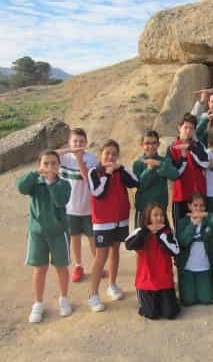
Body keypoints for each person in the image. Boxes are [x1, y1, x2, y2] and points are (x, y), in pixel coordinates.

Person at [17, 150, 72, 323]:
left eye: (53, 163)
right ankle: (38, 303)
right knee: (39, 268)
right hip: (37, 233)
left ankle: (64, 299)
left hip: (58, 233)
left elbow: (60, 201)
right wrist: (35, 174)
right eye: (45, 164)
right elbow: (21, 187)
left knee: (61, 267)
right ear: (39, 166)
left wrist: (51, 183)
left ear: (59, 166)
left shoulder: (63, 184)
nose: (49, 167)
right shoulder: (34, 182)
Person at [87, 139, 138, 312]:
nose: (110, 157)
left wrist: (121, 168)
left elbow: (135, 182)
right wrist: (108, 174)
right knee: (100, 256)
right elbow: (98, 193)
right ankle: (93, 294)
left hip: (120, 219)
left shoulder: (120, 171)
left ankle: (112, 284)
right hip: (102, 221)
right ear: (100, 154)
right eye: (107, 153)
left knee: (115, 251)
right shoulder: (94, 171)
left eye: (114, 154)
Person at [125, 203, 180, 320]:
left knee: (170, 314)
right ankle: (147, 303)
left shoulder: (168, 232)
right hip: (146, 282)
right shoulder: (140, 231)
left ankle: (165, 301)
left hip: (164, 281)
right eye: (155, 215)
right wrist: (145, 231)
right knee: (152, 314)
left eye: (161, 215)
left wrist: (161, 235)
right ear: (148, 217)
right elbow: (128, 245)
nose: (159, 218)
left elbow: (175, 251)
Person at [57, 128, 98, 283]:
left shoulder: (91, 158)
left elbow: (87, 177)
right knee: (75, 238)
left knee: (93, 238)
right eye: (75, 141)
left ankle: (97, 265)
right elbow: (46, 154)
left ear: (86, 143)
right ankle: (78, 266)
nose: (78, 144)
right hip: (70, 208)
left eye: (81, 142)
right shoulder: (64, 158)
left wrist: (80, 159)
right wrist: (70, 150)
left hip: (89, 208)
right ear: (69, 142)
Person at [176, 193, 213, 306]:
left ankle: (206, 285)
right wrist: (193, 225)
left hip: (204, 266)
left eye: (202, 205)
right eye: (195, 205)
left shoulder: (208, 220)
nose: (198, 208)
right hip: (187, 267)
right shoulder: (182, 222)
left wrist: (208, 216)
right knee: (188, 301)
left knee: (207, 299)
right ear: (189, 206)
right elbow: (182, 241)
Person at [132, 129, 185, 228]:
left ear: (158, 144)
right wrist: (149, 169)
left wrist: (159, 165)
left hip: (160, 211)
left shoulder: (164, 161)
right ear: (142, 145)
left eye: (154, 143)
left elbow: (174, 175)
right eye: (147, 143)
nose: (151, 146)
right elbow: (140, 186)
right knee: (141, 241)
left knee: (162, 240)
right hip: (143, 210)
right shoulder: (137, 164)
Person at [167, 113, 209, 229]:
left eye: (191, 128)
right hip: (180, 196)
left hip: (198, 197)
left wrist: (191, 149)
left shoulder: (198, 145)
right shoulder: (172, 148)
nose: (188, 131)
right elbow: (173, 173)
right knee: (181, 232)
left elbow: (205, 164)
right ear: (179, 128)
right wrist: (183, 158)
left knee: (200, 230)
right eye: (186, 127)